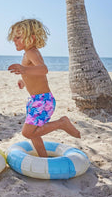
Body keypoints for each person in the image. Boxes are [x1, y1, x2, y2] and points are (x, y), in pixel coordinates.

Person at [7, 19, 81, 157]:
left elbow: (43, 69)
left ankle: (61, 123)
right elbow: (33, 74)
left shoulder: (32, 52)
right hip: (35, 100)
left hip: (42, 101)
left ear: (32, 38)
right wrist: (23, 81)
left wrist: (23, 69)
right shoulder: (27, 53)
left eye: (18, 37)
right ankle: (43, 158)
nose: (14, 41)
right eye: (13, 38)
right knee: (34, 134)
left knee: (27, 132)